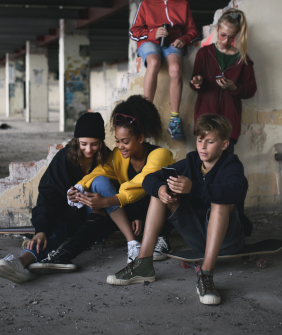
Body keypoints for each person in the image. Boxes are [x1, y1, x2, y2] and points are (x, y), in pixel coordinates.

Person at [106, 114, 253, 306]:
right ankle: (143, 264)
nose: (202, 147)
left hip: (228, 240)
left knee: (221, 199)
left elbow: (238, 191)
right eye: (200, 141)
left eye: (210, 142)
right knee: (161, 191)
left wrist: (194, 187)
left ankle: (206, 273)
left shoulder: (231, 164)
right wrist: (160, 189)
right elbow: (149, 179)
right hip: (198, 239)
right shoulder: (191, 162)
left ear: (224, 144)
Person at [30, 95, 175, 272]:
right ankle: (65, 254)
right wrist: (78, 187)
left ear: (141, 138)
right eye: (117, 141)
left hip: (156, 215)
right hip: (131, 214)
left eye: (125, 141)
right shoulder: (117, 156)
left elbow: (141, 184)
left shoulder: (161, 154)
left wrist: (107, 201)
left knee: (154, 193)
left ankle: (163, 238)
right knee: (99, 204)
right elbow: (101, 171)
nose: (120, 146)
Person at [0, 112, 110, 283]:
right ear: (76, 140)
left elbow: (119, 188)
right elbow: (48, 193)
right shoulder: (64, 157)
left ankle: (52, 256)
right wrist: (41, 229)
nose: (88, 149)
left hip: (99, 214)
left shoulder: (109, 158)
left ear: (101, 142)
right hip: (68, 215)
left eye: (94, 144)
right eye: (84, 144)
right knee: (54, 229)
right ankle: (20, 262)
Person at [129, 0, 199, 141]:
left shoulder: (182, 3)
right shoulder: (146, 3)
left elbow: (192, 31)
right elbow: (134, 31)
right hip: (149, 42)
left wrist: (182, 39)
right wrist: (153, 33)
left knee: (175, 70)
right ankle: (146, 115)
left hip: (173, 43)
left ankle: (175, 120)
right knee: (153, 62)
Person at [190, 8, 257, 155]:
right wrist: (197, 82)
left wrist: (235, 87)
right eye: (223, 35)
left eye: (231, 37)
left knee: (226, 167)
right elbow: (194, 82)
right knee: (202, 166)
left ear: (237, 35)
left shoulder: (243, 60)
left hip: (229, 123)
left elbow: (251, 89)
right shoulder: (204, 53)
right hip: (205, 120)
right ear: (217, 29)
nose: (226, 40)